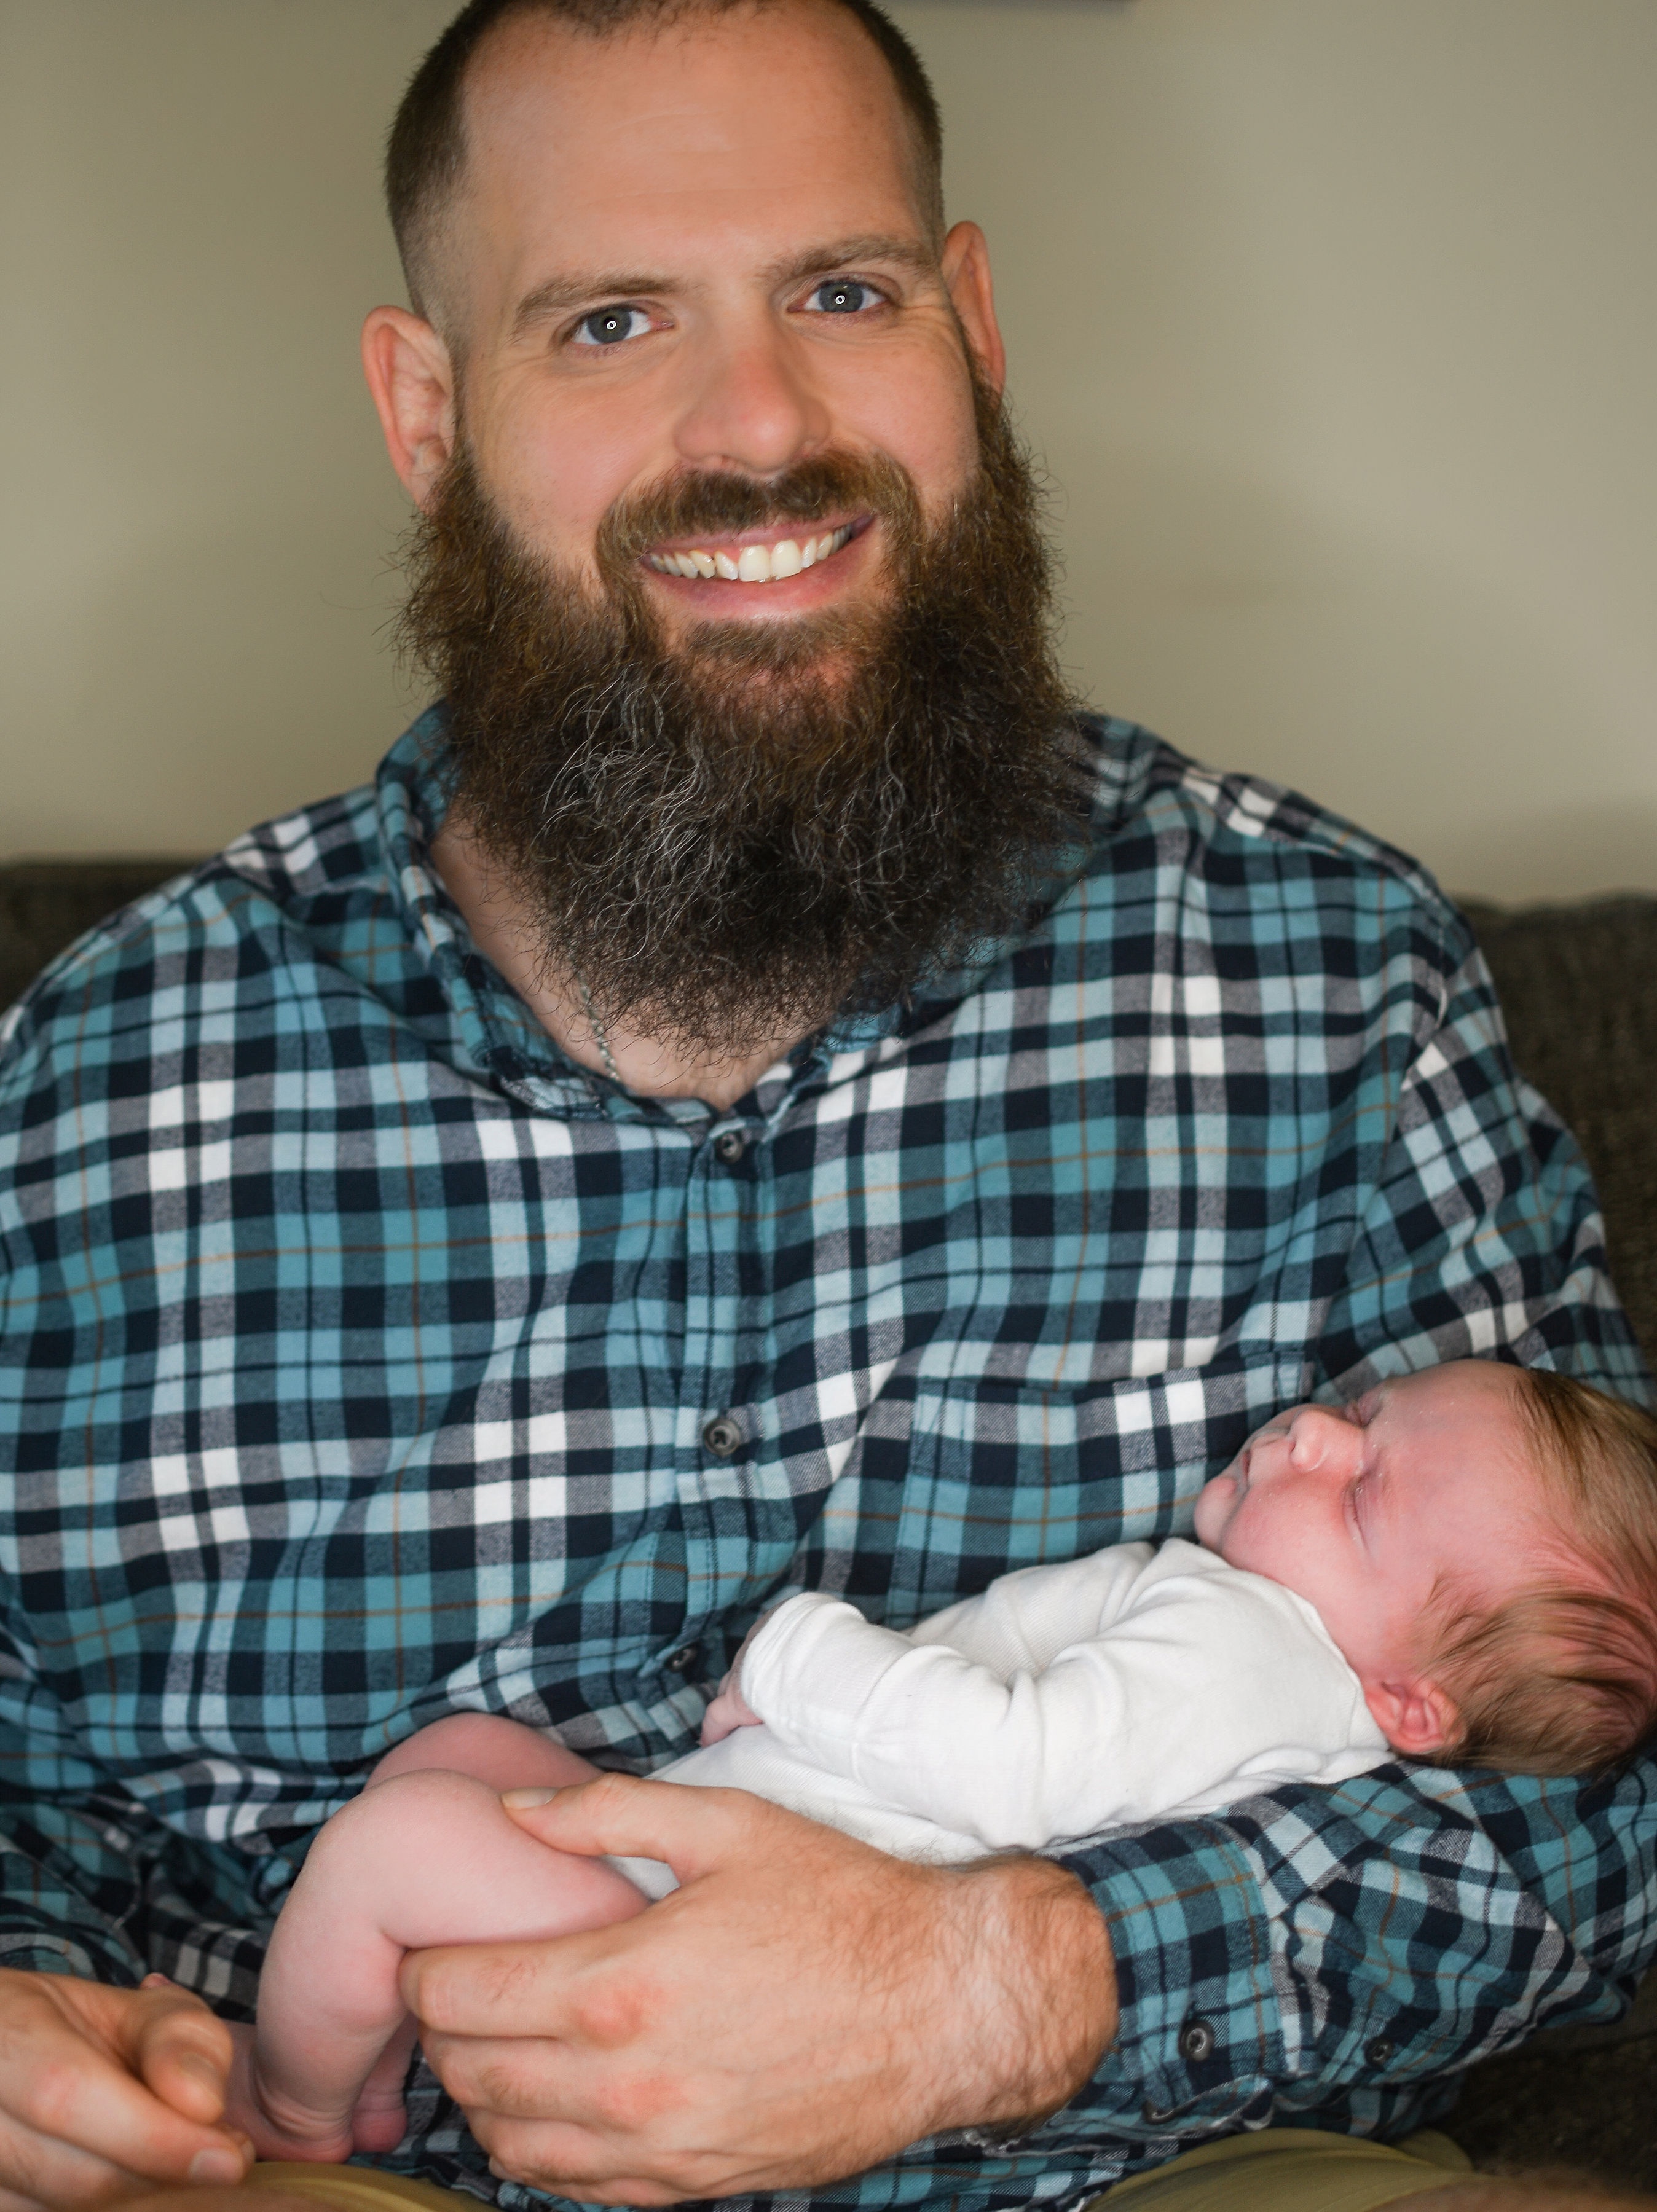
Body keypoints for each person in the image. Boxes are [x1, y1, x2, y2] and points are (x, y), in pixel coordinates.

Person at [0, 4, 1651, 2212]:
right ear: (429, 412)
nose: (762, 425)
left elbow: (1609, 1792)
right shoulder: (111, 1083)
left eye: (844, 293)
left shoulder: (1322, 977)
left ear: (971, 328)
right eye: (609, 321)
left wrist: (1011, 1985)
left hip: (1132, 2166)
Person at [213, 1361, 1657, 2166]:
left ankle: (295, 2111)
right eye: (1372, 1408)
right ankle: (379, 2060)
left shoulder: (1249, 1651)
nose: (1318, 1431)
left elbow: (1008, 1770)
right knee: (464, 1762)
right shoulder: (1278, 1658)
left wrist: (796, 1655)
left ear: (1411, 1702)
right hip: (726, 1858)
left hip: (714, 1943)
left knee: (398, 1842)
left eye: (1363, 1493)